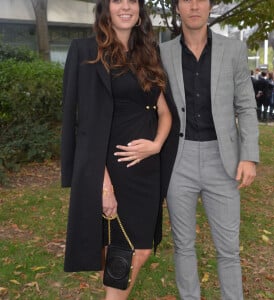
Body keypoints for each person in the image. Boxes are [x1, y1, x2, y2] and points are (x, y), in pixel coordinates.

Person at [61, 0, 179, 299]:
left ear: (140, 10)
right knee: (123, 252)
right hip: (112, 169)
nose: (125, 7)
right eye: (117, 1)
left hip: (146, 173)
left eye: (132, 2)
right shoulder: (86, 51)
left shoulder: (149, 54)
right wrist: (103, 186)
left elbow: (165, 112)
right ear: (106, 8)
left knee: (139, 250)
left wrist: (156, 145)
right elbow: (85, 124)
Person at [159, 0, 259, 299]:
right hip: (179, 159)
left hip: (223, 159)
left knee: (228, 249)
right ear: (177, 7)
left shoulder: (234, 50)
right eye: (186, 0)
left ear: (210, 6)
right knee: (183, 245)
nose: (193, 6)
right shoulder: (162, 53)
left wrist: (249, 156)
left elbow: (246, 105)